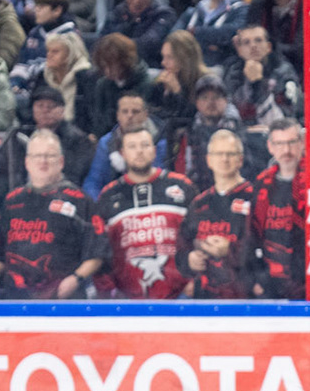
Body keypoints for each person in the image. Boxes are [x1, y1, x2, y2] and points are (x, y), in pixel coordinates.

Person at [0, 130, 104, 299]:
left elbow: (98, 252)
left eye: (49, 156)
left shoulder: (80, 201)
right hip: (16, 300)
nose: (43, 161)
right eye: (37, 156)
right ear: (27, 162)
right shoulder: (12, 200)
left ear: (61, 161)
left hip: (64, 301)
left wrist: (76, 279)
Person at [95, 123, 195, 299]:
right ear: (122, 153)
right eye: (132, 147)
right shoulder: (108, 195)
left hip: (181, 297)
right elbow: (99, 249)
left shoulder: (182, 186)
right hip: (127, 301)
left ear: (154, 150)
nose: (139, 151)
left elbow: (199, 236)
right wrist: (110, 291)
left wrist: (196, 282)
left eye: (145, 145)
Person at [179, 126, 254, 299]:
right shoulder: (198, 204)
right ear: (209, 160)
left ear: (240, 160)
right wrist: (189, 260)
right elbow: (182, 246)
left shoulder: (255, 197)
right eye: (218, 154)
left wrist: (231, 251)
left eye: (230, 154)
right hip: (204, 297)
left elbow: (265, 248)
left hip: (243, 297)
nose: (224, 159)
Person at [248, 116, 310, 299]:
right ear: (270, 147)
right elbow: (252, 235)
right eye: (279, 144)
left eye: (291, 142)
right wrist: (257, 277)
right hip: (271, 283)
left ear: (302, 143)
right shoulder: (262, 184)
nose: (286, 150)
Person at [84, 90, 169, 200]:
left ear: (145, 115)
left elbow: (163, 177)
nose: (130, 116)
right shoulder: (106, 143)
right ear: (118, 115)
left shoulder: (162, 140)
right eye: (125, 111)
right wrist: (100, 206)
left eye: (135, 111)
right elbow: (93, 182)